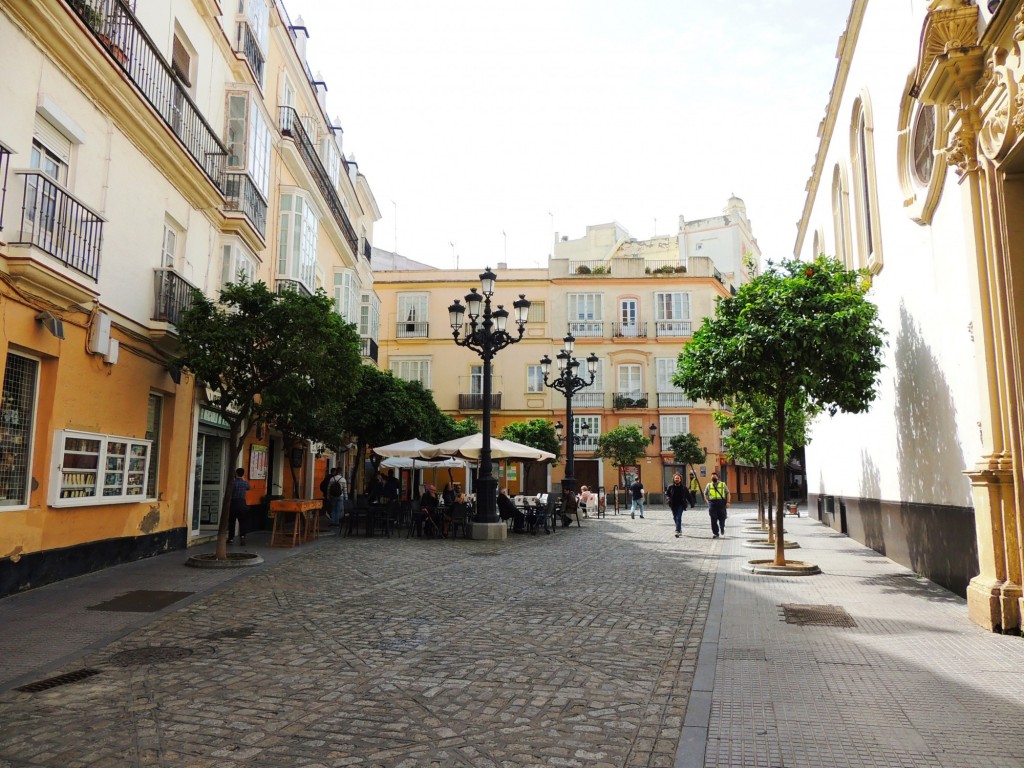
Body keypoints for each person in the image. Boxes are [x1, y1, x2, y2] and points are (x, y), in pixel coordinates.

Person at [704, 471, 730, 538]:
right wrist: (707, 502)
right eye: (712, 477)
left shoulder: (723, 484)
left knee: (722, 517)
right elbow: (705, 494)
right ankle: (716, 533)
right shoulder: (709, 485)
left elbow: (728, 493)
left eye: (715, 476)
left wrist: (728, 502)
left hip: (721, 502)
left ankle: (722, 527)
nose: (713, 477)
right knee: (713, 518)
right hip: (712, 503)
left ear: (718, 477)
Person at [227, 467, 250, 545]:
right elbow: (248, 488)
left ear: (236, 474)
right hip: (242, 503)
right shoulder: (245, 483)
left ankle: (230, 538)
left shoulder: (232, 483)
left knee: (232, 521)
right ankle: (242, 537)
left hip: (234, 503)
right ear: (243, 474)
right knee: (242, 521)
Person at [666, 473, 689, 538]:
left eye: (678, 478)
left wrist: (692, 503)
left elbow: (688, 495)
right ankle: (679, 528)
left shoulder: (683, 487)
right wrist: (668, 499)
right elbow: (667, 494)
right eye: (675, 478)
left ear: (680, 479)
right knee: (675, 517)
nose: (676, 479)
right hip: (673, 504)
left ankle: (677, 530)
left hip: (681, 504)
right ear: (673, 479)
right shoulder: (670, 487)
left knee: (678, 517)